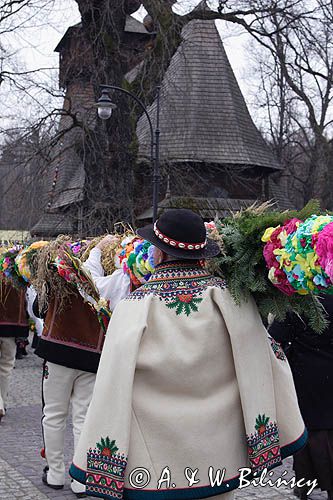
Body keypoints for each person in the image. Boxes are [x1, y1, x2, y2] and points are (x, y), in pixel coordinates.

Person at [70, 209, 307, 500]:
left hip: (156, 463)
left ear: (158, 253)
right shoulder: (234, 299)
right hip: (221, 455)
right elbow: (264, 360)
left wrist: (104, 461)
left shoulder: (133, 307)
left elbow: (111, 383)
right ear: (203, 254)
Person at [34, 237, 130, 498]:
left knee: (53, 414)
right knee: (83, 418)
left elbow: (39, 309)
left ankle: (55, 473)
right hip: (91, 355)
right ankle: (81, 480)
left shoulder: (59, 272)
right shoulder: (109, 276)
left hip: (58, 352)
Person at [269, 295, 333, 500]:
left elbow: (275, 337)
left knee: (309, 431)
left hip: (306, 374)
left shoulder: (298, 299)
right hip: (321, 372)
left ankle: (305, 484)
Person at [0, 281, 29, 422]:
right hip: (12, 323)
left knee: (7, 366)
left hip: (11, 323)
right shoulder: (15, 262)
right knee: (6, 367)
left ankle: (1, 404)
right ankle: (2, 403)